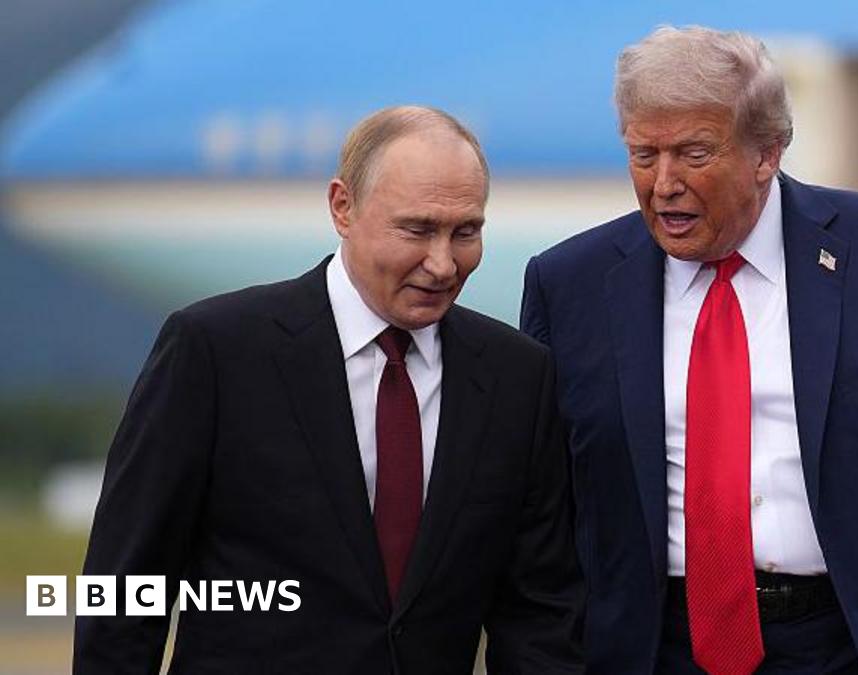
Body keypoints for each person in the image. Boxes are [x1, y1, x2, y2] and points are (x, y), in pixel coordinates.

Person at [521, 26, 858, 675]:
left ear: (767, 152)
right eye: (644, 154)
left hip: (853, 645)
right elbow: (540, 526)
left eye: (693, 153)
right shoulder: (571, 286)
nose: (664, 183)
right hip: (653, 649)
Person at [76, 106, 583, 674]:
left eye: (465, 232)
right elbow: (124, 586)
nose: (443, 264)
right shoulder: (216, 351)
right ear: (343, 207)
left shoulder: (519, 376)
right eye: (416, 230)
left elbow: (539, 614)